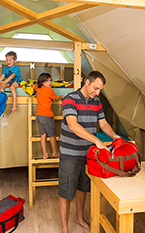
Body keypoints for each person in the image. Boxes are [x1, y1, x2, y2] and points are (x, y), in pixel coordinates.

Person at [58, 71, 121, 233]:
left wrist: (113, 135)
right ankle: (64, 227)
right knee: (66, 192)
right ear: (87, 82)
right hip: (70, 154)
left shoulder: (97, 102)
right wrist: (97, 141)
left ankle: (79, 218)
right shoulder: (70, 99)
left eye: (100, 89)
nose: (97, 92)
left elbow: (103, 123)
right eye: (95, 88)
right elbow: (72, 125)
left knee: (83, 188)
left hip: (88, 154)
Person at [34, 72, 63, 159]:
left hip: (39, 115)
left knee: (43, 135)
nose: (49, 83)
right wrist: (61, 96)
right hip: (47, 116)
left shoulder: (38, 88)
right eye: (47, 81)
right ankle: (55, 152)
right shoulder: (49, 90)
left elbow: (34, 86)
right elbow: (56, 98)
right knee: (52, 136)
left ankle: (45, 154)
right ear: (42, 82)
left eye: (50, 80)